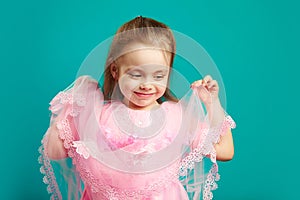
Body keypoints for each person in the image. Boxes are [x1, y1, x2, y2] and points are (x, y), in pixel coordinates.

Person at [39, 16, 236, 200]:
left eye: (158, 76)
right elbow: (54, 151)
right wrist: (73, 106)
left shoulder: (176, 116)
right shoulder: (100, 115)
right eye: (136, 74)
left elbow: (225, 151)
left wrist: (212, 103)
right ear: (115, 71)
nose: (147, 85)